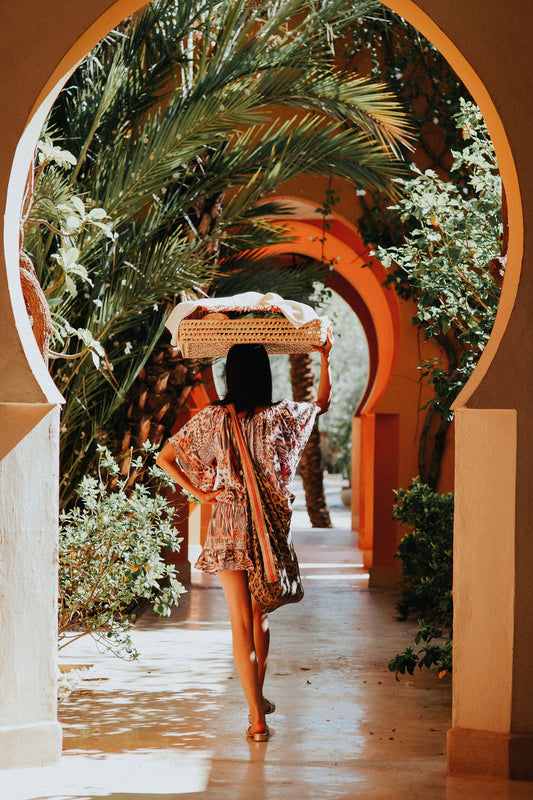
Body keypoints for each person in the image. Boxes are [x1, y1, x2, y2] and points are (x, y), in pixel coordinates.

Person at [156, 332, 333, 741]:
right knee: (259, 616)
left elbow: (165, 456)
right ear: (264, 375)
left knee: (238, 622)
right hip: (264, 528)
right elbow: (321, 404)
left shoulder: (213, 418)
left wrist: (202, 494)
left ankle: (257, 715)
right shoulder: (280, 416)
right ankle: (258, 698)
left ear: (231, 375)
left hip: (226, 524)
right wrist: (324, 358)